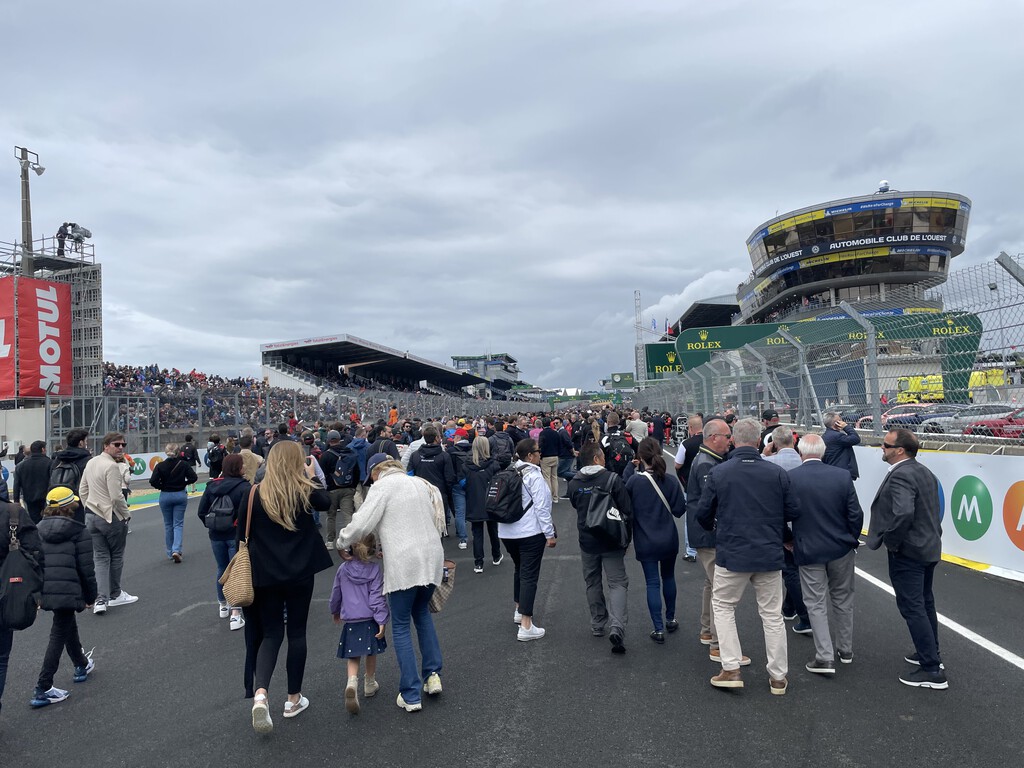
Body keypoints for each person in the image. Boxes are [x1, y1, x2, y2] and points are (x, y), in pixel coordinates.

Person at [695, 418, 800, 695]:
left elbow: (703, 514)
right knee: (772, 615)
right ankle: (778, 676)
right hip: (768, 552)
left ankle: (730, 668)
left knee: (724, 606)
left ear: (735, 440)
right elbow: (793, 511)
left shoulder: (720, 472)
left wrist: (718, 527)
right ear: (758, 442)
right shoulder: (776, 473)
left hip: (733, 552)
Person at [337, 453, 446, 713]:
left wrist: (342, 541)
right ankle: (432, 676)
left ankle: (410, 693)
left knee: (399, 625)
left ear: (376, 472)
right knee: (422, 614)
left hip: (405, 563)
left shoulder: (382, 487)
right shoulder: (420, 483)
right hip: (431, 557)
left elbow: (361, 523)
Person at [241, 440, 333, 734]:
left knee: (270, 634)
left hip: (265, 573)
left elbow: (241, 532)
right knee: (296, 632)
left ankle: (261, 693)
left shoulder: (253, 493)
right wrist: (309, 474)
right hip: (300, 571)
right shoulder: (304, 489)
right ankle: (293, 698)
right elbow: (326, 502)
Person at [867, 428, 946, 689]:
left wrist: (892, 542)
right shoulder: (924, 471)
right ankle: (931, 654)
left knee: (912, 606)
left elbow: (903, 514)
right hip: (929, 547)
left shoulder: (901, 476)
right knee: (924, 603)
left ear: (900, 450)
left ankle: (932, 670)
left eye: (886, 445)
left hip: (909, 551)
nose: (882, 448)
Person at [788, 434, 863, 674]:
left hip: (808, 548)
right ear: (822, 452)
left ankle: (824, 656)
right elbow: (855, 514)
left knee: (815, 601)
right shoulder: (841, 476)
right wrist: (851, 538)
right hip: (840, 547)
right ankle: (846, 649)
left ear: (801, 453)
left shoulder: (791, 478)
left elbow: (781, 514)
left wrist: (787, 540)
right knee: (843, 598)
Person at [30, 487, 98, 708]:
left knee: (66, 623)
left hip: (47, 588)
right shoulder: (79, 531)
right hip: (70, 588)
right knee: (59, 631)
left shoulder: (37, 529)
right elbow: (87, 569)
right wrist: (91, 596)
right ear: (71, 506)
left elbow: (34, 564)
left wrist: (37, 593)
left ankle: (81, 664)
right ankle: (43, 686)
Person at [568, 442, 632, 653]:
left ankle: (597, 622)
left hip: (587, 541)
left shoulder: (574, 483)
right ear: (596, 459)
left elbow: (576, 505)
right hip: (611, 539)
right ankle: (617, 626)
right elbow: (626, 510)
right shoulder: (612, 479)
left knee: (592, 581)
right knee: (617, 583)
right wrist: (627, 539)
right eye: (602, 456)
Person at [623, 438, 686, 643]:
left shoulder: (635, 481)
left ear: (640, 457)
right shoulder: (670, 480)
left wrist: (628, 468)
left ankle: (658, 628)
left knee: (652, 582)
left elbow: (626, 505)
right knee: (668, 577)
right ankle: (671, 618)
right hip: (668, 537)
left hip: (645, 539)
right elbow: (678, 510)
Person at [498, 439, 557, 642]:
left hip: (506, 531)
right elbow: (542, 507)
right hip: (529, 532)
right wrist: (549, 534)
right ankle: (526, 624)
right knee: (529, 575)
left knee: (519, 569)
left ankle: (518, 609)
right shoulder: (534, 476)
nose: (540, 454)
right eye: (538, 451)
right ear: (530, 456)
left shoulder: (509, 471)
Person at [685, 419, 730, 659]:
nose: (730, 440)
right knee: (720, 589)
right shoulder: (706, 464)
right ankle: (717, 642)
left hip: (702, 530)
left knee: (711, 584)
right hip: (708, 532)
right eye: (727, 435)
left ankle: (706, 631)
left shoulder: (707, 459)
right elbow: (710, 501)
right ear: (714, 438)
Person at [330, 533, 389, 715]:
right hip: (369, 618)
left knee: (353, 655)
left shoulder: (343, 569)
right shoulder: (374, 570)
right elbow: (376, 597)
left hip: (352, 620)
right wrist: (381, 619)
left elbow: (336, 592)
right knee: (371, 651)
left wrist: (335, 609)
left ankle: (352, 682)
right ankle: (369, 683)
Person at [80, 433, 138, 615]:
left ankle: (100, 599)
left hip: (91, 516)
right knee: (116, 556)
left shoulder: (91, 462)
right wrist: (126, 514)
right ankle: (115, 594)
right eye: (116, 444)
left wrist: (89, 507)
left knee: (100, 557)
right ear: (106, 446)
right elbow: (116, 496)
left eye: (123, 444)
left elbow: (82, 490)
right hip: (110, 516)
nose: (121, 447)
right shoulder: (112, 466)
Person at [763, 426, 810, 634]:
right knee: (798, 569)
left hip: (781, 524)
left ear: (773, 443)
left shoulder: (768, 462)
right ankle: (789, 607)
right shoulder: (804, 462)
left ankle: (804, 616)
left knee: (790, 571)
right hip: (806, 522)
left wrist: (763, 453)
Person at [0, 497, 44, 717]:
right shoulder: (13, 512)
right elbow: (35, 553)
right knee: (0, 658)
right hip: (8, 594)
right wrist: (35, 593)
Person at [197, 454, 250, 631]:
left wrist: (212, 524)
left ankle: (223, 605)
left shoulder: (211, 486)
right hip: (236, 534)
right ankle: (236, 613)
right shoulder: (244, 487)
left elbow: (201, 511)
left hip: (216, 534)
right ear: (238, 467)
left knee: (221, 568)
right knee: (237, 571)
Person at [149, 443, 198, 564]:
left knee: (168, 524)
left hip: (165, 494)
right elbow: (194, 477)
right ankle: (177, 549)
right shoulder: (183, 464)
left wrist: (161, 486)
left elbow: (153, 480)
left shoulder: (160, 465)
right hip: (179, 494)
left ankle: (169, 551)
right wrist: (184, 483)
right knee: (178, 524)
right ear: (178, 452)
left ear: (166, 452)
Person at [464, 437, 502, 573]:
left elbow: (463, 484)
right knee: (493, 530)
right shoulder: (493, 465)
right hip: (491, 502)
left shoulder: (467, 465)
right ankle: (496, 555)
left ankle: (478, 563)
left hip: (474, 502)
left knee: (477, 534)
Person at [12, 440, 52, 523]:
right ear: (43, 449)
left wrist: (16, 501)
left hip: (29, 498)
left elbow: (16, 484)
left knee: (34, 521)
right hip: (47, 498)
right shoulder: (50, 463)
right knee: (48, 521)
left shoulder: (21, 466)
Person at [822, 412, 861, 480]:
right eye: (840, 421)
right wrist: (846, 426)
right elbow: (856, 439)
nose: (842, 422)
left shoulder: (825, 435)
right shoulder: (837, 436)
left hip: (832, 471)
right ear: (837, 423)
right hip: (840, 473)